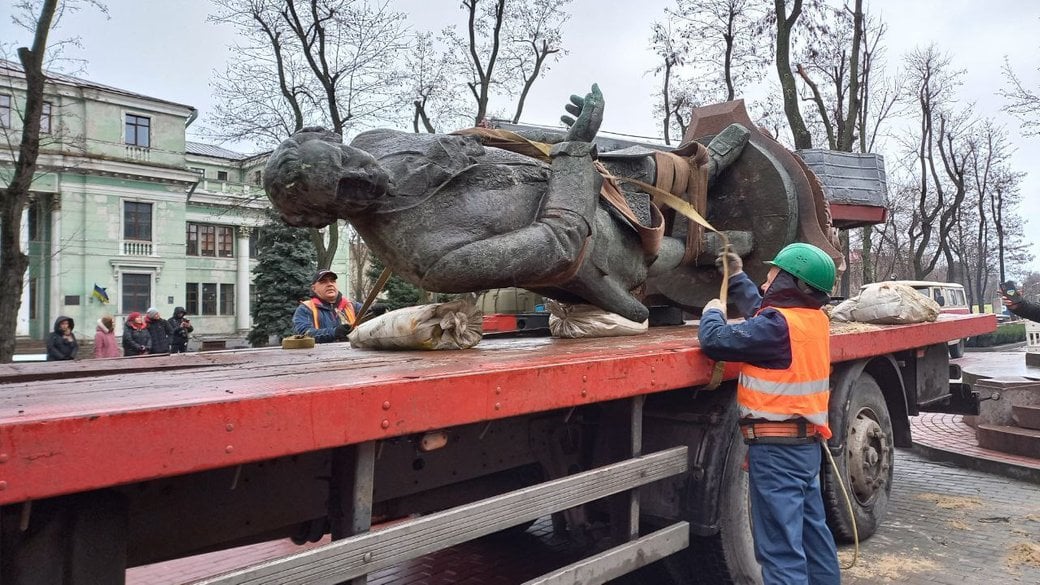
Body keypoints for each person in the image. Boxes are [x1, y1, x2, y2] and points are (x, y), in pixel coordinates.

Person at [264, 85, 752, 323]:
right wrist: (576, 149)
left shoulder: (376, 139)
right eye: (343, 190)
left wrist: (560, 139)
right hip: (590, 248)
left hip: (562, 168)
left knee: (644, 166)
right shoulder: (429, 258)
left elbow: (471, 143)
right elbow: (558, 245)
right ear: (328, 214)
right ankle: (729, 250)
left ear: (335, 139)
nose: (362, 173)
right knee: (661, 250)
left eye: (343, 158)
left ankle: (700, 168)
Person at [697, 242, 840, 585]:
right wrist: (736, 277)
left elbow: (715, 340)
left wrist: (713, 312)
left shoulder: (777, 328)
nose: (765, 283)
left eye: (772, 275)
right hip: (805, 449)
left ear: (791, 282)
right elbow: (762, 312)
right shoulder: (813, 321)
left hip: (777, 455)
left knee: (780, 550)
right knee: (813, 537)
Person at [292, 269, 363, 343]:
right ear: (314, 288)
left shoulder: (352, 306)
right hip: (318, 354)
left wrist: (375, 312)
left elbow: (370, 319)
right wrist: (334, 332)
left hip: (352, 354)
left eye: (333, 281)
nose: (330, 284)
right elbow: (304, 334)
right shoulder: (306, 309)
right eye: (323, 282)